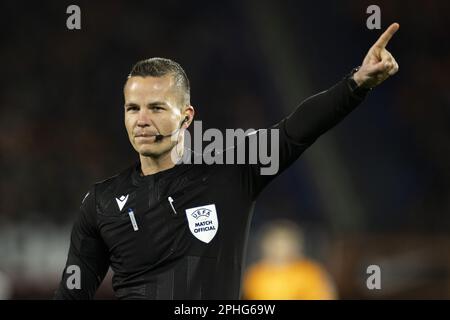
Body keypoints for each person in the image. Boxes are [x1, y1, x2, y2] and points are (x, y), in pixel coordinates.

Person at [54, 23, 400, 299]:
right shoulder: (100, 203)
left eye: (157, 107)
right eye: (133, 108)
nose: (142, 119)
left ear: (187, 117)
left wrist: (357, 83)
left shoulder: (231, 171)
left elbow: (295, 131)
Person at [243, 219, 337, 300]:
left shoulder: (310, 273)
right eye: (275, 244)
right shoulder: (255, 275)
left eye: (283, 244)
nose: (279, 249)